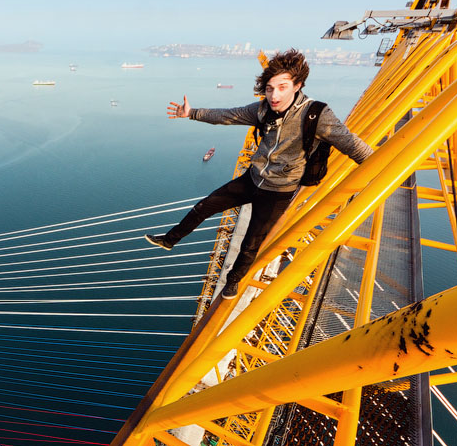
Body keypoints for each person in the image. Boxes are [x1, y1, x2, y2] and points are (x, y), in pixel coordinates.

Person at [145, 48, 373, 299]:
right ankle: (169, 240)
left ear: (297, 85)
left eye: (283, 87)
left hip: (279, 191)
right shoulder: (263, 109)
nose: (275, 95)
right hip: (253, 178)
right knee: (204, 206)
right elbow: (228, 115)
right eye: (270, 88)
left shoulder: (316, 115)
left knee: (251, 243)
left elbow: (351, 144)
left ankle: (232, 282)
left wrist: (380, 167)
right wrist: (191, 113)